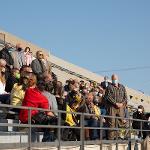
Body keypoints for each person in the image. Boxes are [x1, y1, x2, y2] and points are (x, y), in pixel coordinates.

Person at [19, 74, 56, 142]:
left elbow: (29, 84)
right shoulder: (44, 99)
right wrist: (57, 118)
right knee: (52, 121)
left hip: (23, 118)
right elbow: (48, 112)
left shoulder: (28, 91)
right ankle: (47, 141)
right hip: (31, 119)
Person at [104, 74, 127, 140]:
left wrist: (122, 103)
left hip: (121, 107)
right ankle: (111, 138)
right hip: (112, 107)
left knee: (121, 122)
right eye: (113, 79)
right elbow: (108, 96)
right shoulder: (109, 87)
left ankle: (118, 137)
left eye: (115, 79)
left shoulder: (122, 87)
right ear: (112, 80)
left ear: (118, 79)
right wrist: (115, 103)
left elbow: (125, 97)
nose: (114, 80)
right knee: (112, 123)